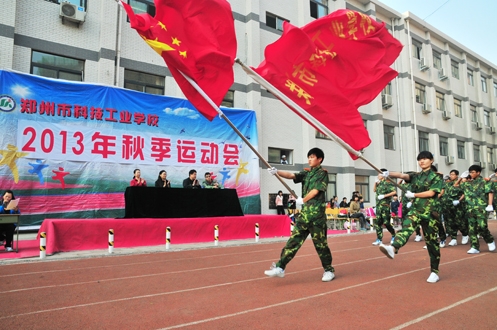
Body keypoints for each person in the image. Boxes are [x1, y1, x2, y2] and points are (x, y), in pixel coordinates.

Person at [264, 147, 335, 282]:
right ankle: (280, 267)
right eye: (308, 157)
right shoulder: (307, 173)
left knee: (321, 245)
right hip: (305, 215)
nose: (309, 159)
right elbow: (292, 176)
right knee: (293, 241)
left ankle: (328, 270)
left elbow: (315, 191)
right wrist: (276, 172)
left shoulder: (322, 174)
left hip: (317, 217)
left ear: (319, 159)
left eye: (312, 157)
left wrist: (303, 200)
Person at [378, 151, 443, 283]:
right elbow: (402, 175)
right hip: (416, 209)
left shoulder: (436, 177)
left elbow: (431, 193)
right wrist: (388, 173)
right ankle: (393, 247)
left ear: (431, 160)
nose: (422, 161)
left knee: (432, 244)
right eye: (420, 159)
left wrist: (414, 195)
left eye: (425, 159)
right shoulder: (416, 176)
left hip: (430, 212)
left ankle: (434, 271)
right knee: (407, 227)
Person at [456, 165, 496, 254]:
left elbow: (490, 192)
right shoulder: (468, 183)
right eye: (470, 172)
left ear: (478, 172)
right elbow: (456, 185)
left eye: (473, 172)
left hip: (481, 208)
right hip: (470, 209)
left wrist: (490, 205)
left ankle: (489, 240)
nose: (471, 174)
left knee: (482, 226)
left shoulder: (484, 182)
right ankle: (475, 247)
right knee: (471, 228)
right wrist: (461, 177)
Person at [440, 169, 468, 246]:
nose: (451, 176)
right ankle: (453, 238)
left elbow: (464, 193)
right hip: (447, 206)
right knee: (450, 223)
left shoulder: (461, 184)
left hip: (457, 207)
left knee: (459, 222)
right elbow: (442, 192)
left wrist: (459, 200)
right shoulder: (446, 184)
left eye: (453, 174)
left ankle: (465, 234)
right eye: (450, 174)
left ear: (457, 175)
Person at [372, 169, 397, 246]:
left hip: (385, 206)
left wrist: (384, 196)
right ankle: (379, 239)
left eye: (379, 174)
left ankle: (393, 235)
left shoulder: (388, 183)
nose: (378, 176)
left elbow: (394, 192)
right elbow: (374, 190)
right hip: (378, 206)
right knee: (378, 223)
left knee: (386, 223)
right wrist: (375, 183)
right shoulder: (379, 183)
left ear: (383, 175)